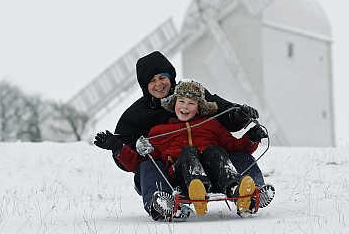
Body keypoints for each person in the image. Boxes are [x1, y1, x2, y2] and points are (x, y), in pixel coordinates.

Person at [93, 51, 274, 220]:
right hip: (172, 173)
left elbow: (223, 111)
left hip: (214, 166)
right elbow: (135, 160)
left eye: (162, 77)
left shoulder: (193, 96)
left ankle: (252, 193)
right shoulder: (142, 119)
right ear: (144, 85)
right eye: (152, 81)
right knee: (149, 165)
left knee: (236, 155)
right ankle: (162, 204)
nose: (159, 84)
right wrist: (117, 146)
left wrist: (240, 117)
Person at [118, 79, 266, 219]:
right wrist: (122, 149)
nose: (185, 107)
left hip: (214, 176)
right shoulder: (160, 130)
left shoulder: (211, 124)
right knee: (188, 152)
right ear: (173, 103)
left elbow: (235, 147)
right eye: (181, 101)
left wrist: (251, 137)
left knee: (215, 151)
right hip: (180, 177)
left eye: (191, 103)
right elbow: (143, 162)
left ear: (199, 107)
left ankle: (236, 190)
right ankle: (196, 189)